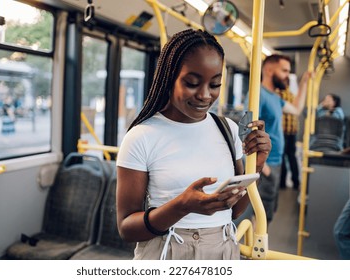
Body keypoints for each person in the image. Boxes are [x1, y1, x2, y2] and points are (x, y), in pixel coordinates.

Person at [116, 29, 271, 260]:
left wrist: (255, 167)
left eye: (215, 84)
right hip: (167, 250)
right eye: (192, 83)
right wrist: (182, 206)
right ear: (169, 78)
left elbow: (235, 211)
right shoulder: (142, 136)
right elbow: (127, 228)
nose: (205, 95)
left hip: (222, 248)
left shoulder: (227, 129)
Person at [254, 54, 310, 223]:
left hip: (276, 163)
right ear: (269, 70)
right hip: (266, 165)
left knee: (269, 213)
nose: (287, 75)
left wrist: (304, 83)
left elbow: (297, 109)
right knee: (260, 216)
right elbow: (244, 132)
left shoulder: (275, 97)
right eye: (284, 70)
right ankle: (254, 249)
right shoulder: (258, 95)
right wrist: (262, 167)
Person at [279, 77, 307, 191]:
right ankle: (296, 182)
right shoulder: (292, 95)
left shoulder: (278, 95)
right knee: (291, 157)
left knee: (283, 156)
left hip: (284, 131)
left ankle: (282, 183)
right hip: (292, 131)